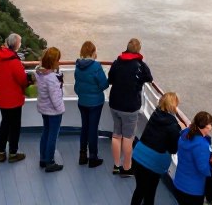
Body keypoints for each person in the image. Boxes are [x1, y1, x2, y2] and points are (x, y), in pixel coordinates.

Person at [107, 37, 152, 177]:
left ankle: (116, 165)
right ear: (138, 50)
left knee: (116, 135)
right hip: (130, 107)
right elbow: (149, 78)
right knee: (128, 138)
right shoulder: (140, 65)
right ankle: (126, 168)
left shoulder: (117, 62)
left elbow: (110, 79)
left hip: (115, 104)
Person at [130, 92, 182, 205]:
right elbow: (173, 149)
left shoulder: (155, 115)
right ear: (173, 106)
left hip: (138, 156)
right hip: (152, 163)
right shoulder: (173, 127)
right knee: (150, 192)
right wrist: (179, 129)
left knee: (139, 189)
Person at [172, 111, 212, 205]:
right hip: (192, 191)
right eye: (210, 124)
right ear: (207, 126)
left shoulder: (185, 134)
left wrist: (208, 155)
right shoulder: (201, 144)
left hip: (179, 184)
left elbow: (191, 156)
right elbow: (203, 169)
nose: (211, 126)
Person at [0, 32, 28, 163]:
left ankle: (0, 152)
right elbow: (22, 79)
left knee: (5, 123)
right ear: (16, 45)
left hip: (2, 97)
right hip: (13, 99)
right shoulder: (14, 61)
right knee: (15, 125)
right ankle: (13, 153)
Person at [73, 40, 107, 167]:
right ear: (93, 52)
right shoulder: (96, 66)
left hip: (82, 102)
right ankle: (93, 157)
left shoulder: (78, 66)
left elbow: (77, 86)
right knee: (93, 129)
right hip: (95, 103)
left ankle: (82, 155)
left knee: (85, 128)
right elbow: (104, 84)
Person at [34, 46, 65, 173]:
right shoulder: (51, 78)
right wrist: (61, 109)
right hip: (53, 111)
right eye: (58, 60)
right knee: (53, 135)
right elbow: (55, 97)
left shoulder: (39, 73)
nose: (59, 62)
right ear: (53, 62)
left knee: (46, 132)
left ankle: (43, 158)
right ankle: (50, 162)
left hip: (44, 108)